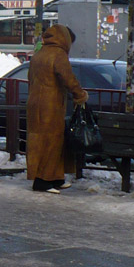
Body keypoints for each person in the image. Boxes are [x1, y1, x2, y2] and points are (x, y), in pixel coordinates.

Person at [26, 25, 88, 193]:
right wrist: (80, 95)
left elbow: (30, 77)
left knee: (44, 142)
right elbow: (68, 78)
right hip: (50, 105)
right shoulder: (58, 54)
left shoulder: (39, 54)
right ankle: (43, 182)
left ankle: (56, 178)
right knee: (51, 142)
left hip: (35, 103)